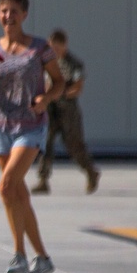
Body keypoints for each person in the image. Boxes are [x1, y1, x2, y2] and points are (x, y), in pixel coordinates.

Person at [0, 0, 66, 273]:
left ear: (24, 15)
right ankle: (40, 257)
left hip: (30, 127)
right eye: (3, 11)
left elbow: (59, 81)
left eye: (14, 11)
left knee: (7, 186)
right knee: (18, 193)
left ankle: (19, 253)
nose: (8, 16)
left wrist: (46, 99)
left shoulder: (39, 47)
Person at [33, 29, 101, 195]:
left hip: (67, 110)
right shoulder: (47, 62)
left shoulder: (74, 64)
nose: (53, 51)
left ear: (65, 46)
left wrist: (60, 93)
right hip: (50, 109)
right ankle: (43, 179)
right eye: (51, 47)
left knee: (73, 144)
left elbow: (77, 88)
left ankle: (90, 171)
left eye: (56, 47)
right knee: (44, 142)